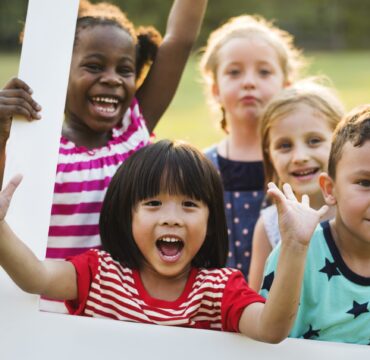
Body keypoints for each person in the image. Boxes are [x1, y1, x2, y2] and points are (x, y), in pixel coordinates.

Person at [0, 139, 328, 342]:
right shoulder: (99, 274)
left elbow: (271, 329)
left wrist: (296, 248)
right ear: (125, 214)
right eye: (153, 204)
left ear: (211, 221)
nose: (171, 218)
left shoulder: (218, 290)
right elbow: (35, 276)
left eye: (189, 205)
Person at [0, 0, 207, 312]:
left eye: (125, 70)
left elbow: (180, 39)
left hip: (118, 310)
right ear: (60, 70)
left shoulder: (133, 130)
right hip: (36, 306)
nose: (111, 78)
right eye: (94, 66)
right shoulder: (32, 140)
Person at [200, 15, 306, 278]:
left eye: (264, 71)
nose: (249, 81)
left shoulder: (302, 164)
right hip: (212, 307)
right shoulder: (201, 165)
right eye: (234, 72)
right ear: (215, 89)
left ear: (286, 86)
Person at [260, 105, 370, 344]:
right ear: (330, 189)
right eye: (365, 182)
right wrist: (295, 248)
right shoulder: (297, 253)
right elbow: (266, 337)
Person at [248, 79, 345, 291]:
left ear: (339, 144)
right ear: (269, 154)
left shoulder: (358, 211)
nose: (300, 156)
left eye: (314, 141)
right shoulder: (270, 225)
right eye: (284, 145)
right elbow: (255, 304)